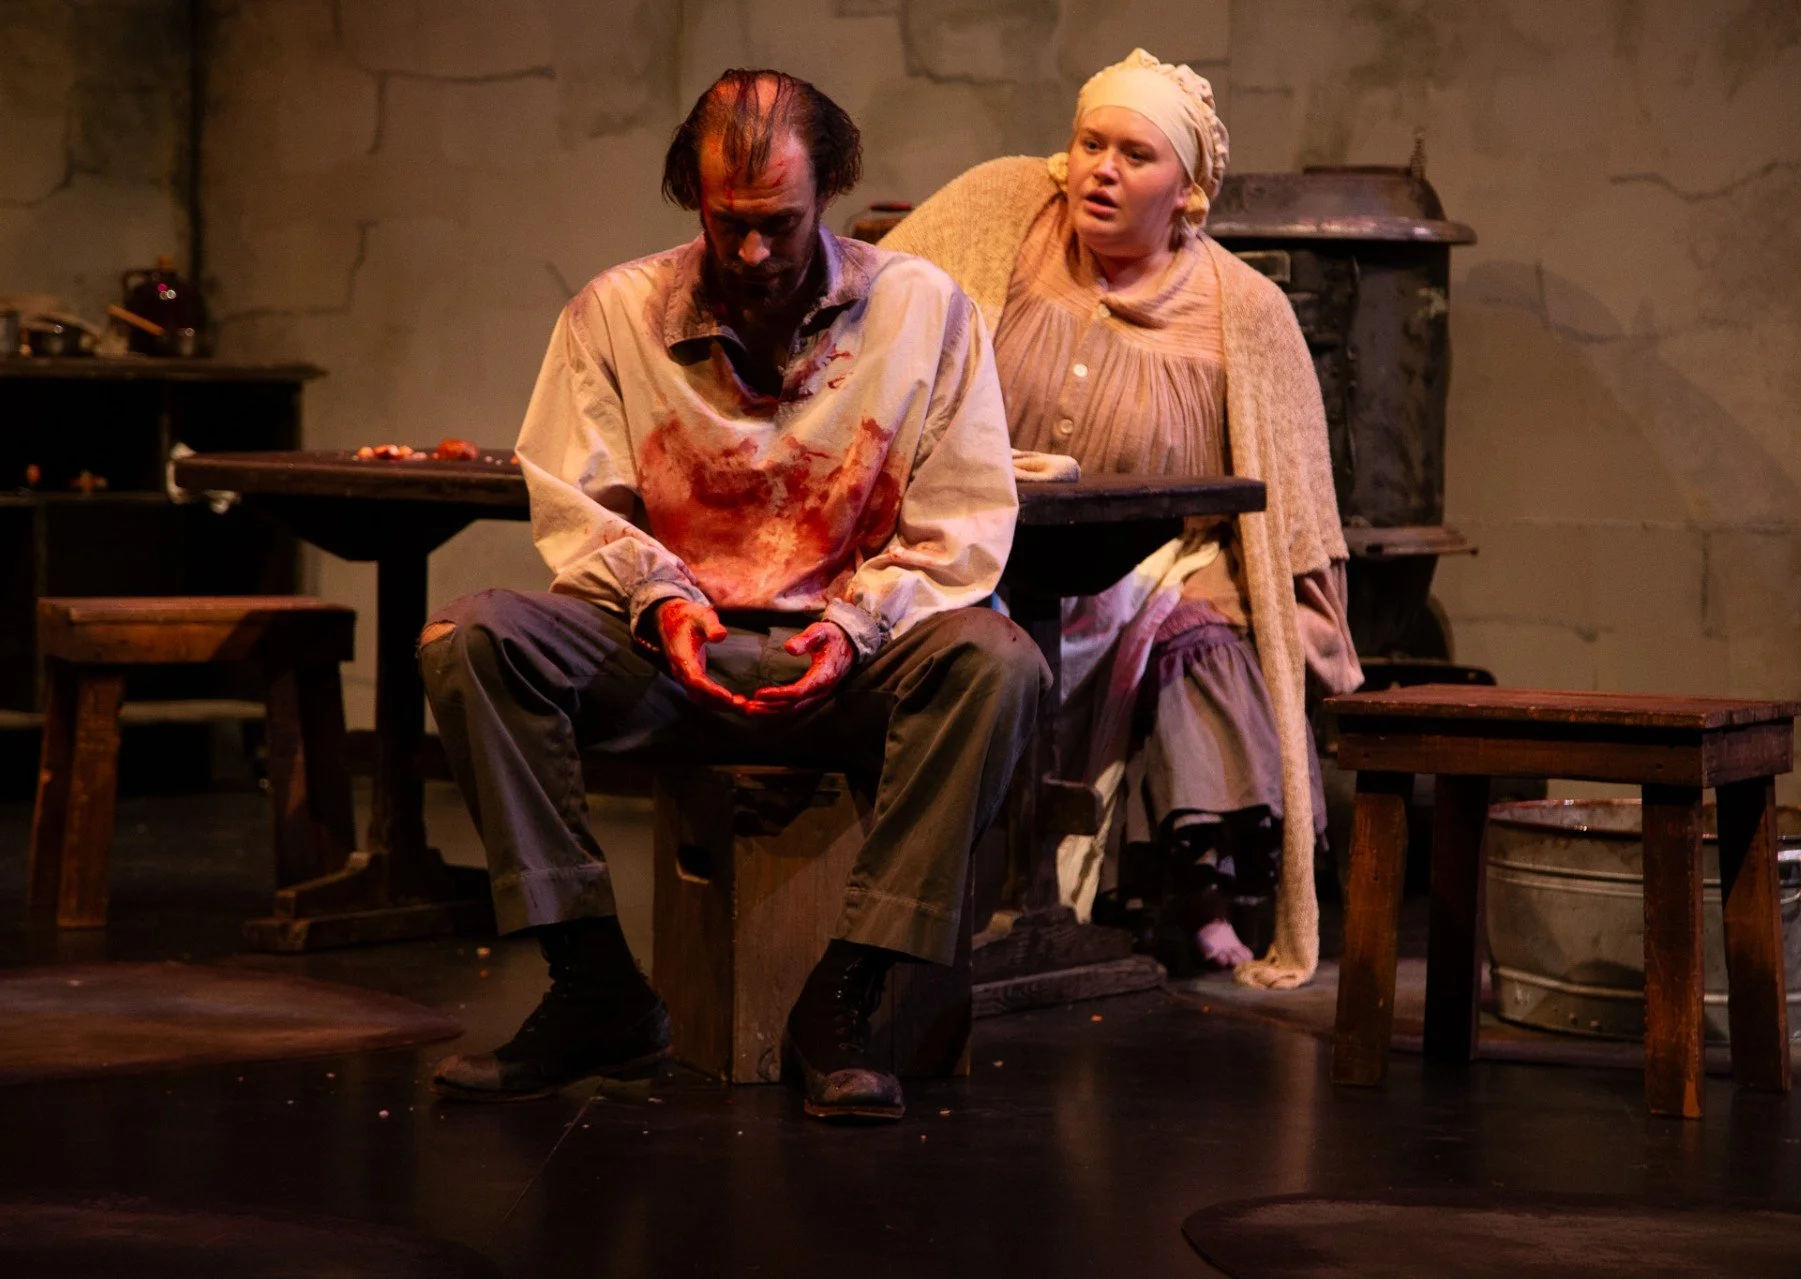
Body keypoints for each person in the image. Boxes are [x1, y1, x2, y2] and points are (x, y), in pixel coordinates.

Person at [419, 69, 1048, 1121]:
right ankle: (593, 985)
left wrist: (855, 625)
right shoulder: (615, 315)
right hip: (671, 656)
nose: (753, 253)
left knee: (1001, 665)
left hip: (851, 661)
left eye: (779, 224)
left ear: (829, 193)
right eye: (729, 223)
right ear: (694, 201)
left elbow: (963, 523)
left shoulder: (923, 311)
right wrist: (662, 600)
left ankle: (844, 998)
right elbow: (580, 509)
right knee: (469, 640)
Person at [883, 49, 1362, 989]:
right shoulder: (1006, 214)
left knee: (1202, 638)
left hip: (1150, 561)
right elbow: (868, 301)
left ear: (1186, 191)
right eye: (1089, 144)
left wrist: (1299, 616)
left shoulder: (1241, 311)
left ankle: (1190, 890)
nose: (1101, 170)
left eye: (1135, 155)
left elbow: (1294, 502)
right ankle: (933, 897)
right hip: (979, 541)